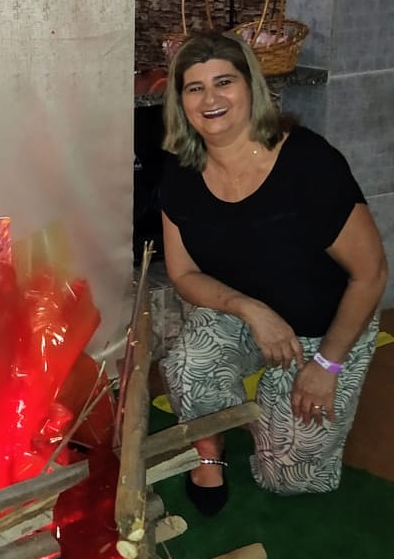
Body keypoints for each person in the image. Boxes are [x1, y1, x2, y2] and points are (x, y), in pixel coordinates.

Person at [158, 32, 388, 514]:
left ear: (251, 87)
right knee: (187, 364)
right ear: (181, 102)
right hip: (243, 317)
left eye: (224, 82)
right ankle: (210, 449)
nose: (211, 99)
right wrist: (249, 309)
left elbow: (371, 274)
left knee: (287, 478)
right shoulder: (180, 173)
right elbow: (182, 273)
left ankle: (289, 405)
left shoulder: (309, 163)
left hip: (324, 328)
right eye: (195, 88)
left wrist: (326, 366)